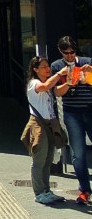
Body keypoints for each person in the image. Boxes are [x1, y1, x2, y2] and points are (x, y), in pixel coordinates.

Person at [50, 36, 92, 204]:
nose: (69, 56)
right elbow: (57, 92)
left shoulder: (87, 62)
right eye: (65, 53)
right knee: (78, 153)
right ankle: (84, 190)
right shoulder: (57, 67)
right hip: (72, 113)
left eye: (72, 52)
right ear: (61, 52)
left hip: (90, 109)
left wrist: (89, 76)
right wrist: (68, 82)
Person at [22, 56, 69, 204]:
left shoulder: (46, 83)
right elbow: (45, 86)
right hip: (38, 124)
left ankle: (46, 190)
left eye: (48, 66)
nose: (47, 69)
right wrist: (60, 74)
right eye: (43, 67)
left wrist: (69, 82)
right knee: (39, 160)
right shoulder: (34, 83)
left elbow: (57, 91)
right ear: (35, 69)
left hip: (50, 124)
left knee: (48, 160)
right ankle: (39, 193)